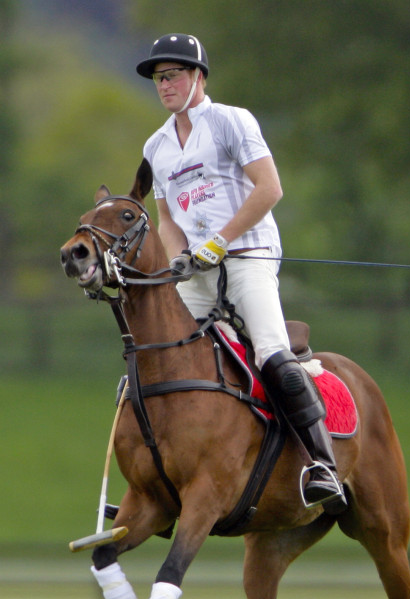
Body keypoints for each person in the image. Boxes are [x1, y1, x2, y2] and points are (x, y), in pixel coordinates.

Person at [136, 33, 346, 514]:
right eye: (158, 78)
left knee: (272, 353)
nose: (164, 85)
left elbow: (270, 188)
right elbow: (167, 221)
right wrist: (178, 259)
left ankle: (322, 465)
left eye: (173, 75)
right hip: (197, 272)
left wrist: (221, 240)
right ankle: (153, 479)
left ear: (198, 78)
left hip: (249, 254)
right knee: (153, 356)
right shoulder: (156, 146)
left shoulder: (232, 121)